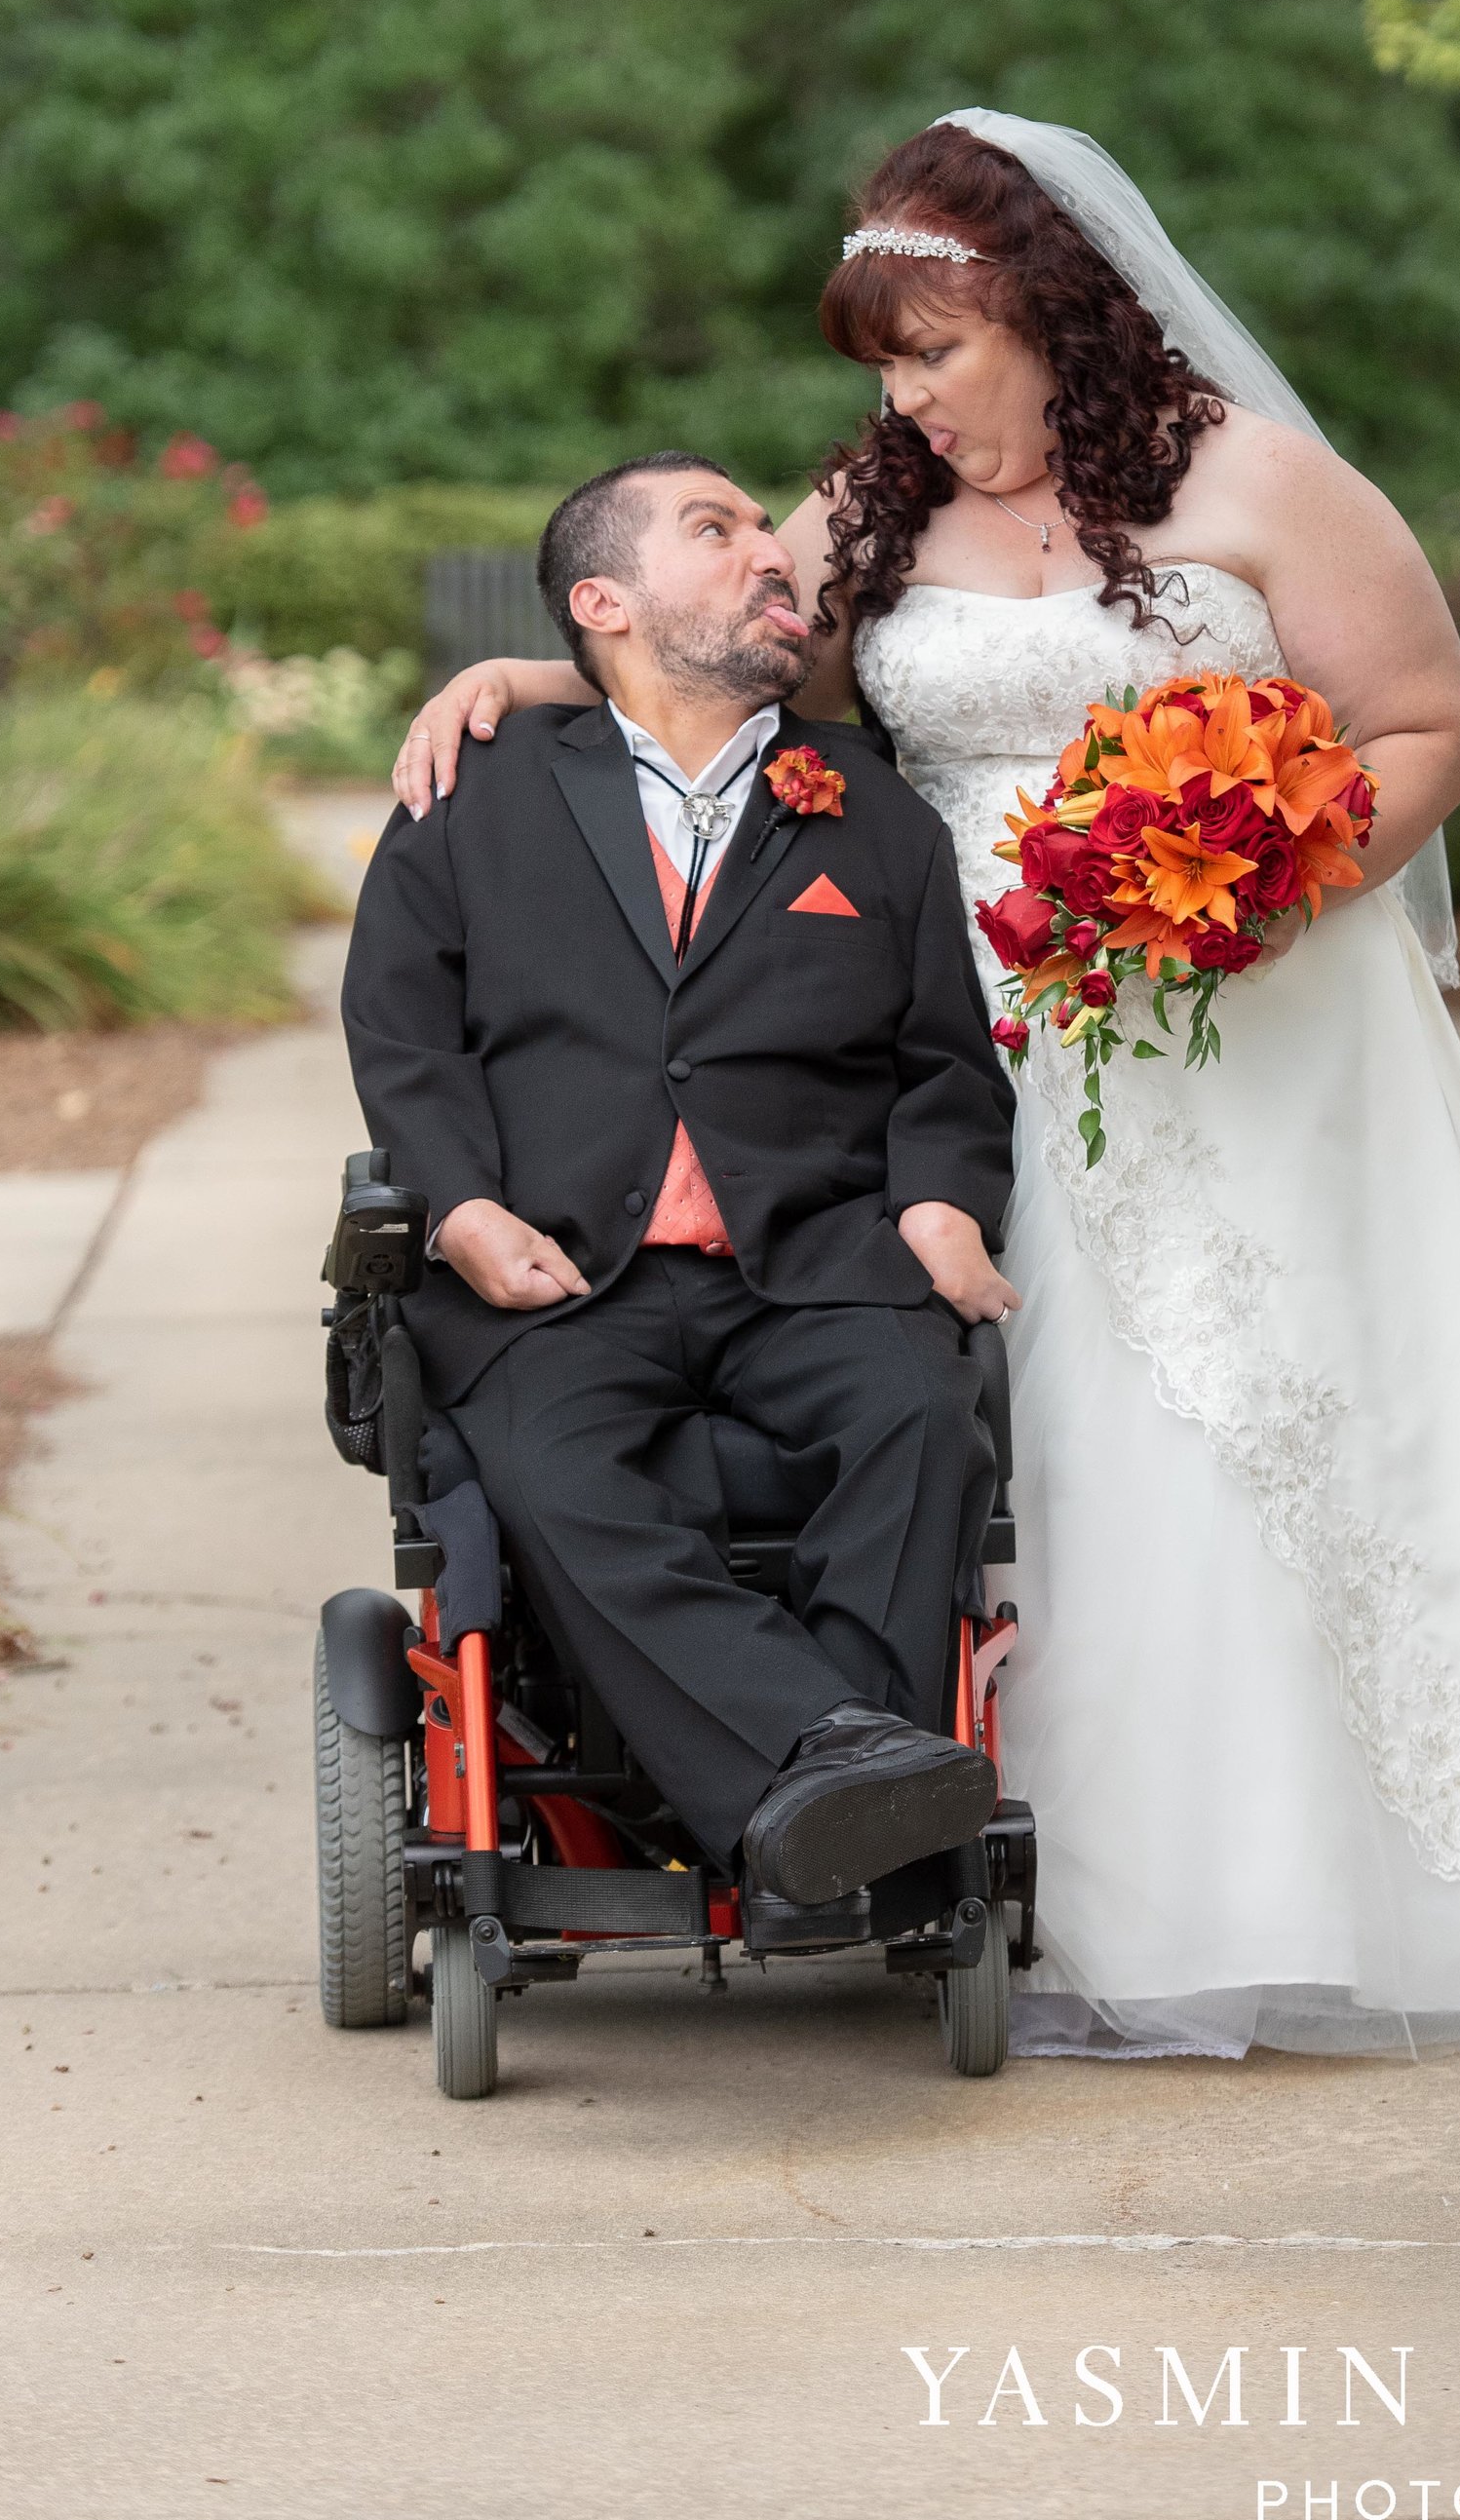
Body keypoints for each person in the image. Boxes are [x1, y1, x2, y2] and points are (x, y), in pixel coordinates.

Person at [394, 115, 1460, 2057]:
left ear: (1045, 310)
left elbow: (1424, 728)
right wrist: (515, 689)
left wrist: (1246, 893)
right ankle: (970, 1815)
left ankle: (1358, 1868)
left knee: (1304, 1411)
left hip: (1252, 1008)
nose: (903, 400)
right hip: (963, 1022)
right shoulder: (879, 496)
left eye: (931, 355)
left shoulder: (1262, 483)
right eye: (882, 366)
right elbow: (711, 643)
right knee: (1033, 1416)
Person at [343, 447, 1018, 1933]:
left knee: (922, 1417)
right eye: (714, 532)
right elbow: (402, 1033)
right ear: (607, 600)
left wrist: (942, 1200)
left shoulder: (872, 811)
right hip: (559, 1273)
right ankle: (836, 1773)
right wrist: (458, 1210)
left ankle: (814, 1801)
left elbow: (946, 1066)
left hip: (818, 1259)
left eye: (765, 535)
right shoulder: (473, 792)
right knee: (548, 1477)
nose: (772, 556)